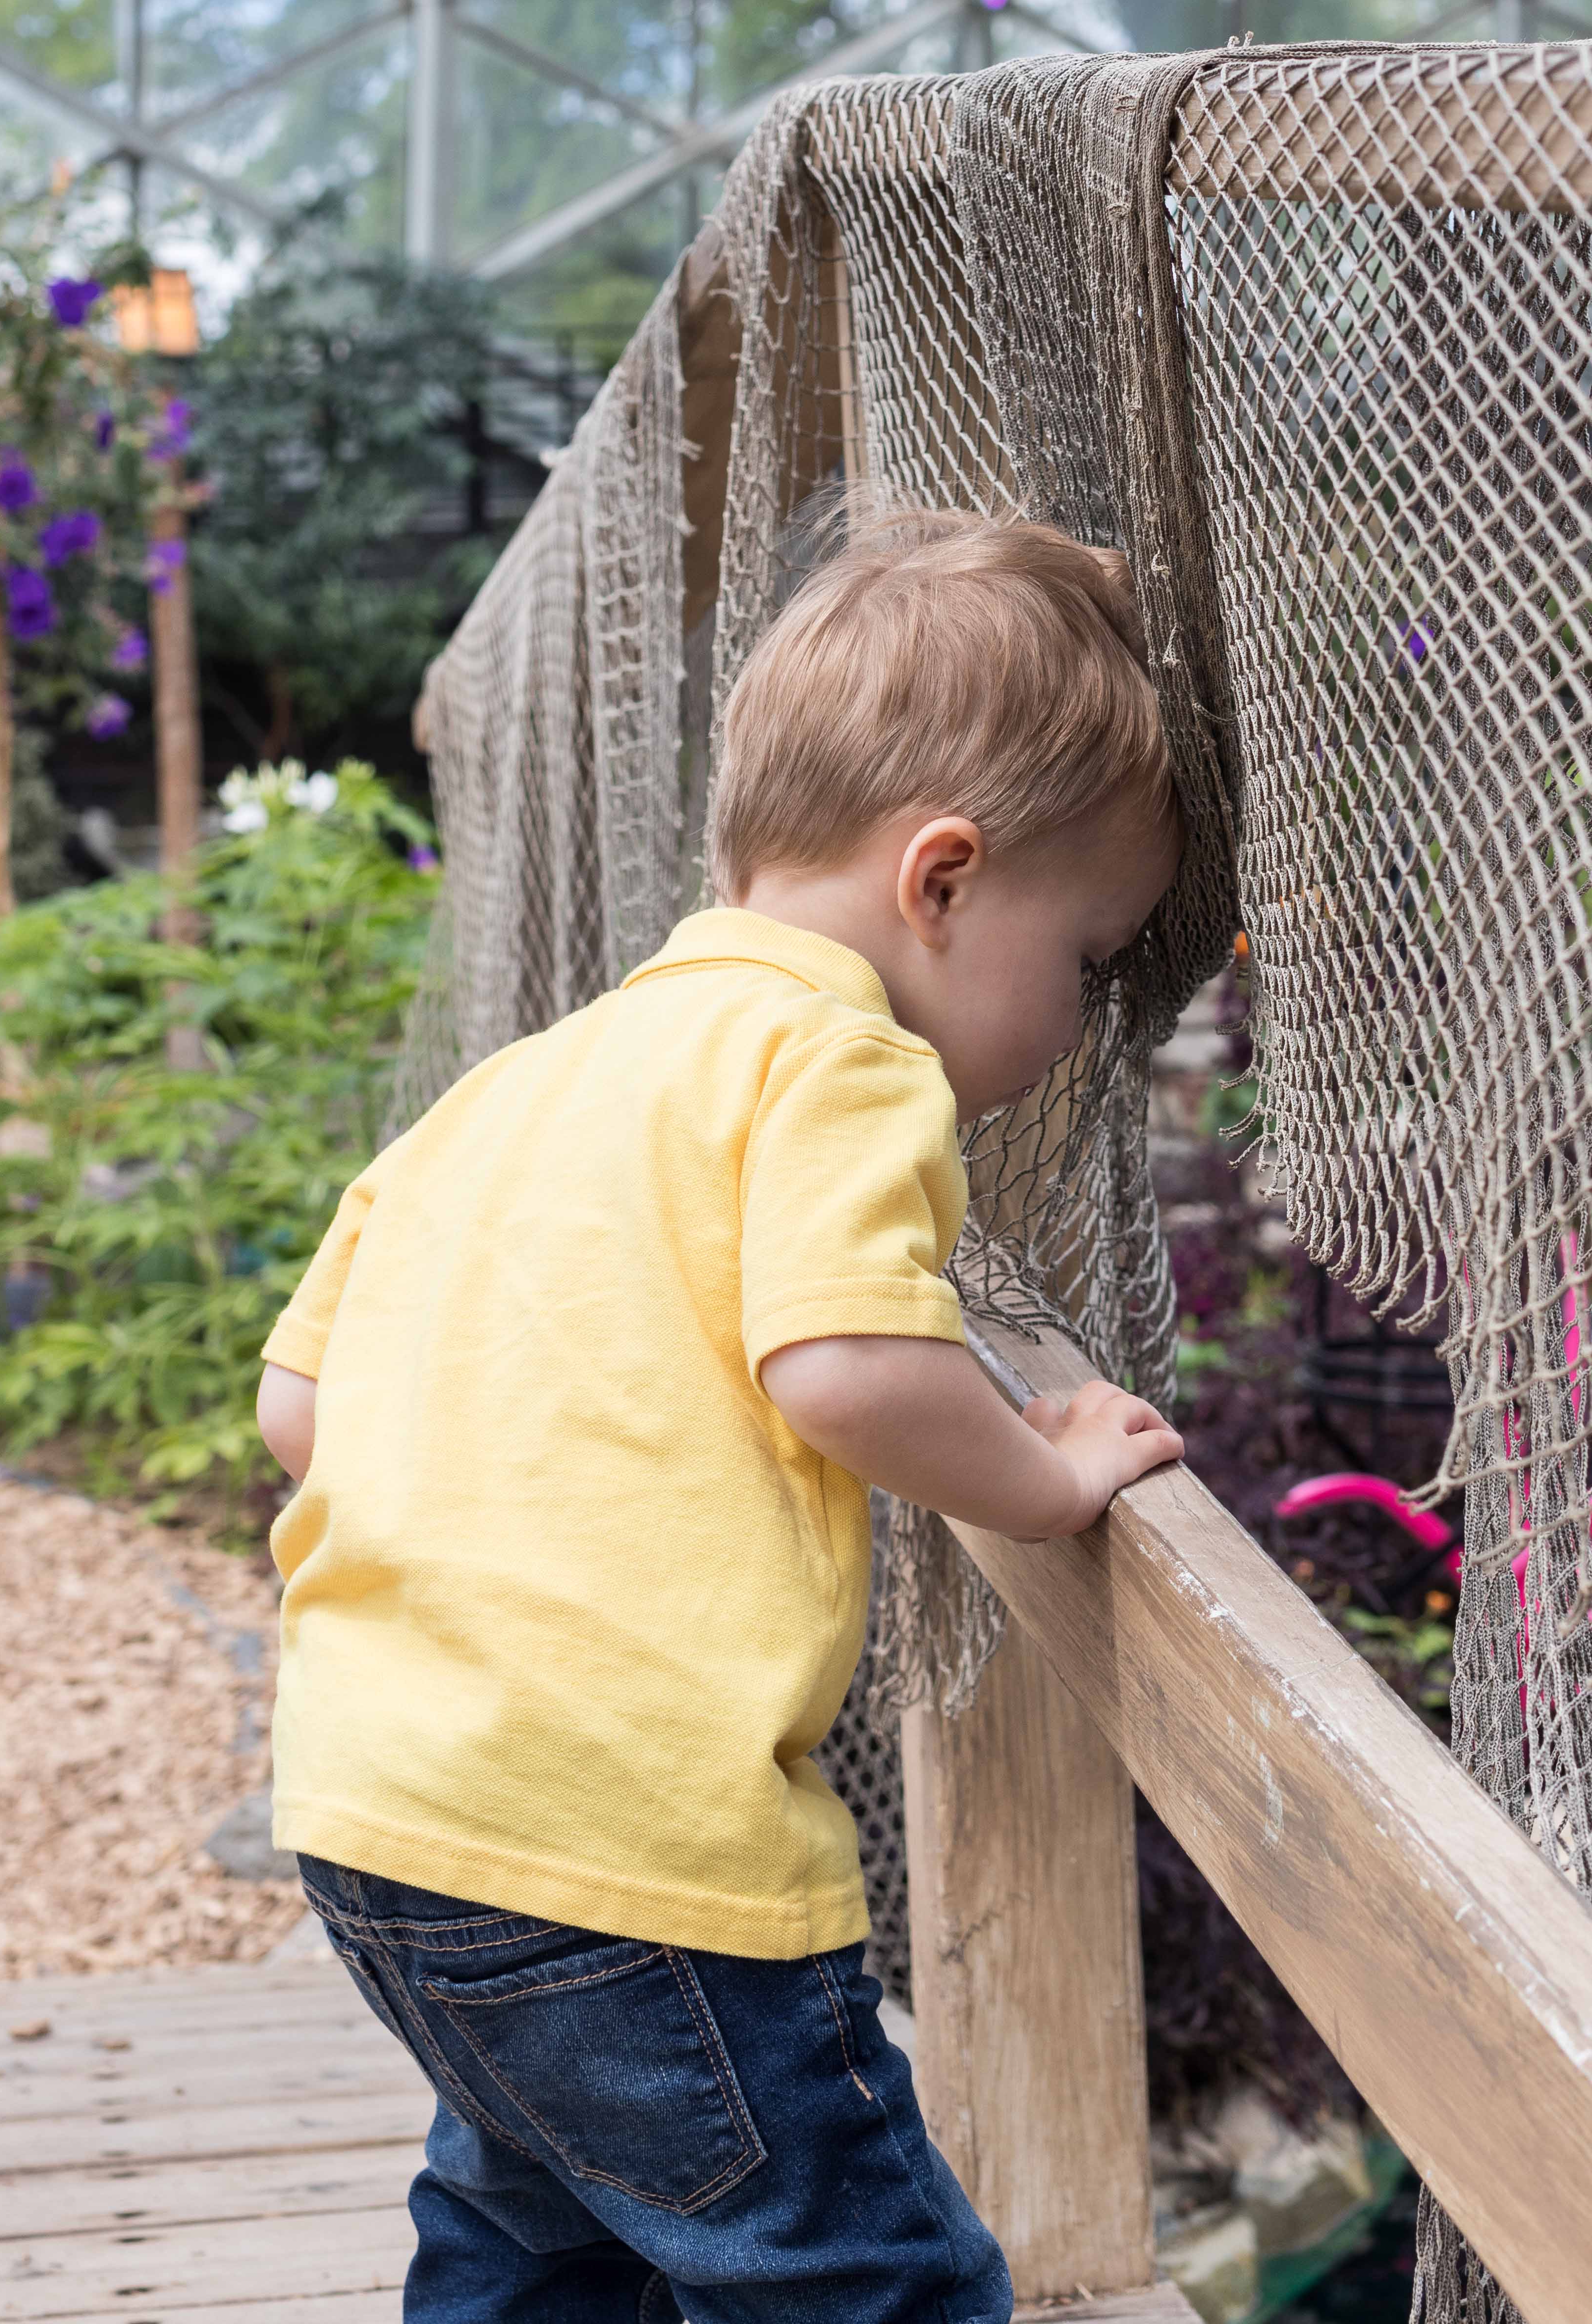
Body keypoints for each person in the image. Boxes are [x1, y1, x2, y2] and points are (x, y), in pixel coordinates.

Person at [255, 508, 1187, 2324]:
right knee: (863, 2276)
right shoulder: (840, 1057)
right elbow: (847, 1366)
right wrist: (1051, 1477)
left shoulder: (512, 1087)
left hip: (383, 1814)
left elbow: (303, 1407)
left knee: (537, 2233)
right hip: (640, 1860)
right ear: (942, 880)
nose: (1079, 1028)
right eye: (1085, 961)